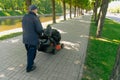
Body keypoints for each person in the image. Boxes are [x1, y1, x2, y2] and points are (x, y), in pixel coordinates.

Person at [22, 5, 43, 72]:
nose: (37, 10)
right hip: (33, 40)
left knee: (29, 53)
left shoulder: (25, 16)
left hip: (25, 39)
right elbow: (39, 29)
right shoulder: (35, 18)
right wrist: (41, 34)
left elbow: (23, 26)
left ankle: (31, 63)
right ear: (34, 10)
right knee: (32, 54)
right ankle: (29, 68)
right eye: (36, 9)